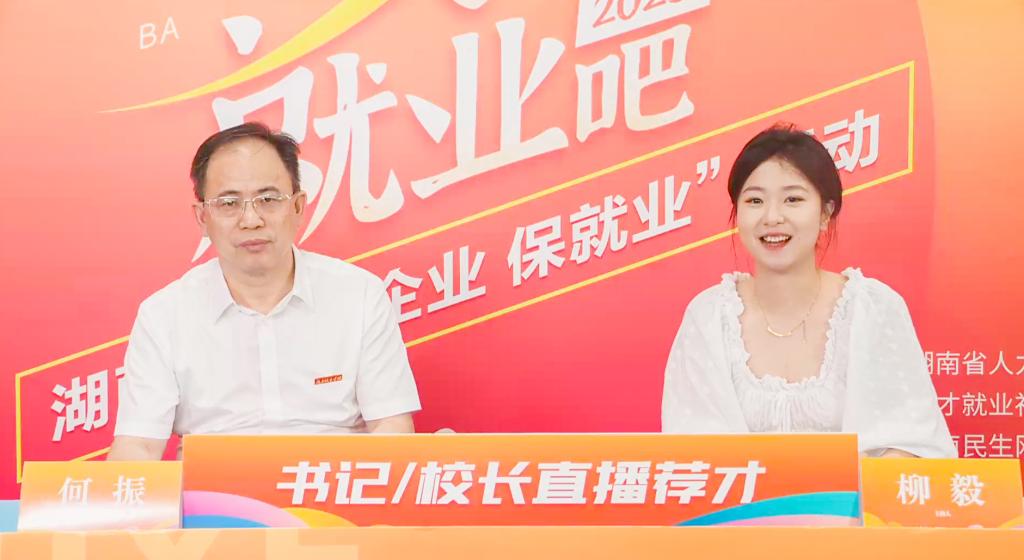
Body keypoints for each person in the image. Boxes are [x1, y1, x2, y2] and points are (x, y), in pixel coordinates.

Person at [108, 122, 421, 460]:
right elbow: (137, 445)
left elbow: (391, 426)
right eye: (229, 203)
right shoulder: (164, 315)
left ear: (298, 207)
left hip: (329, 484)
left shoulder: (359, 295)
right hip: (211, 490)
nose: (251, 220)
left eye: (268, 199)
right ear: (202, 217)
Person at [661, 124, 955, 458]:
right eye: (755, 200)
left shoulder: (872, 309)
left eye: (793, 199)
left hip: (860, 495)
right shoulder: (709, 318)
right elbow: (691, 454)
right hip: (739, 496)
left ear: (825, 213)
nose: (772, 217)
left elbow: (913, 446)